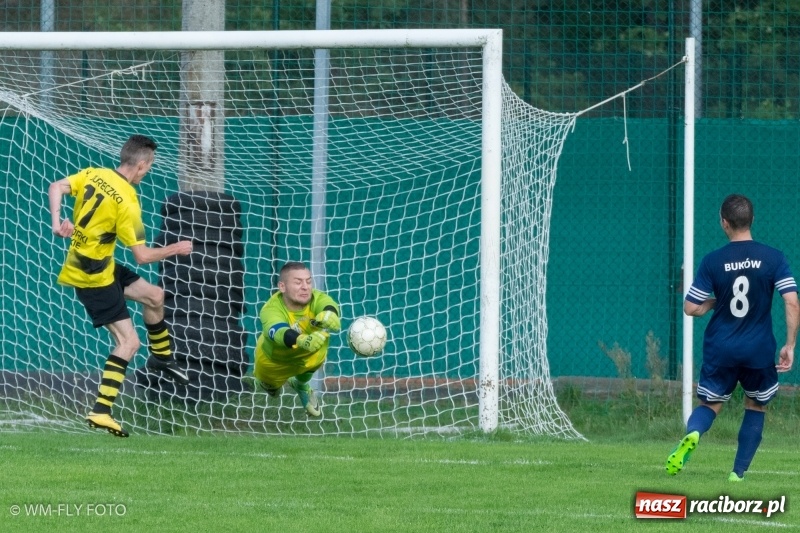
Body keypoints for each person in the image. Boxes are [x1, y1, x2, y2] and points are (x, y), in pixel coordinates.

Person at [48, 134, 194, 438]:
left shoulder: (95, 173)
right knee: (129, 343)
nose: (148, 171)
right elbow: (142, 257)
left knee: (154, 296)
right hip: (91, 274)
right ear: (141, 166)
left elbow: (56, 186)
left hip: (100, 263)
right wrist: (175, 248)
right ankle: (101, 411)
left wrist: (57, 220)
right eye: (149, 166)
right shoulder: (128, 203)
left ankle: (162, 358)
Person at [666, 193, 799, 481]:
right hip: (758, 350)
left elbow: (691, 307)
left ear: (724, 223)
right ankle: (737, 473)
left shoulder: (713, 260)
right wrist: (790, 345)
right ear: (752, 220)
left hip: (721, 348)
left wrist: (715, 301)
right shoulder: (774, 257)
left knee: (710, 405)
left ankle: (693, 433)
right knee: (755, 404)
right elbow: (791, 302)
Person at [252, 261, 341, 417]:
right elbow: (278, 332)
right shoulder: (270, 309)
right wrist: (301, 340)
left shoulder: (316, 298)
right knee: (273, 390)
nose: (305, 287)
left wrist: (330, 314)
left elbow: (327, 304)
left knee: (321, 340)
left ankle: (301, 385)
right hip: (274, 361)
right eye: (298, 282)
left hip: (306, 356)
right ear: (282, 287)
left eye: (308, 281)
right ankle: (271, 382)